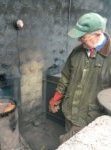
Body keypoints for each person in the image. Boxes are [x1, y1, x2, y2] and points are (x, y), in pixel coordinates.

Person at [49, 12, 111, 143]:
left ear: (98, 34)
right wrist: (56, 98)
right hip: (69, 111)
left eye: (83, 37)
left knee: (66, 143)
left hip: (91, 120)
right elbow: (65, 76)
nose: (79, 40)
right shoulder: (77, 52)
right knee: (68, 137)